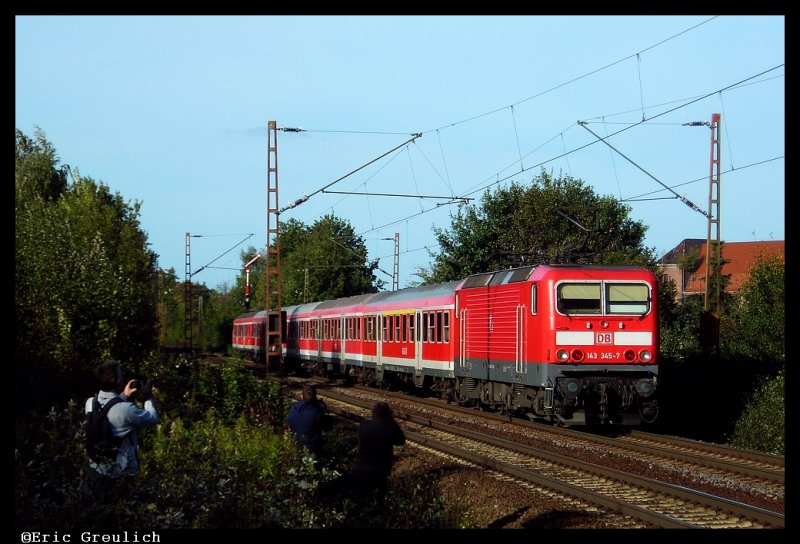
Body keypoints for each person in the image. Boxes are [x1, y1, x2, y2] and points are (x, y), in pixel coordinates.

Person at [84, 359, 159, 477]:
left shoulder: (90, 403)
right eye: (121, 374)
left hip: (97, 468)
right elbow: (153, 419)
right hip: (121, 472)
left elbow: (109, 409)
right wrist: (147, 396)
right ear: (118, 380)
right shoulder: (127, 409)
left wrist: (124, 396)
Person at [339, 401, 406, 502]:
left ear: (373, 413)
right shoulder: (389, 428)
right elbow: (401, 440)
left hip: (361, 468)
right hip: (380, 472)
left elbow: (359, 437)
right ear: (388, 414)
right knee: (378, 500)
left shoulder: (364, 425)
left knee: (361, 498)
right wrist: (391, 420)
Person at [287, 383, 329, 460]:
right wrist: (324, 411)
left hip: (294, 444)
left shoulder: (293, 407)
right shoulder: (316, 413)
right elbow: (327, 427)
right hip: (310, 449)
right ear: (315, 397)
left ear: (301, 396)